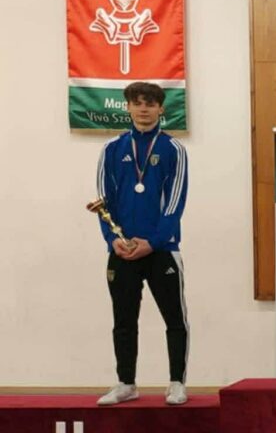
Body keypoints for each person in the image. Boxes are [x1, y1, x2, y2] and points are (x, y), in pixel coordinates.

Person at [94, 82, 190, 406]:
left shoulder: (173, 149)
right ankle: (126, 383)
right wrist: (113, 240)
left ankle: (176, 383)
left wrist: (154, 241)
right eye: (137, 103)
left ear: (161, 108)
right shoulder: (112, 149)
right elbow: (103, 201)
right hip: (122, 252)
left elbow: (175, 202)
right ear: (128, 108)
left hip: (161, 250)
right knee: (123, 321)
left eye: (150, 103)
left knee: (174, 319)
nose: (144, 109)